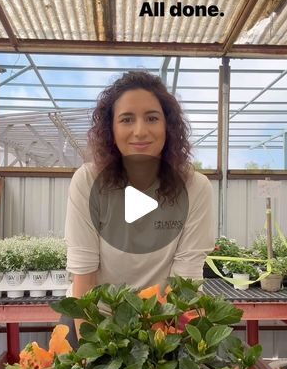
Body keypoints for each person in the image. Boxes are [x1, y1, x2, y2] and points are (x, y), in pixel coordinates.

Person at [64, 70, 215, 340]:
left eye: (152, 118)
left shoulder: (195, 188)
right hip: (96, 317)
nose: (140, 131)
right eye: (126, 119)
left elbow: (186, 281)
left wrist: (164, 349)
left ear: (168, 126)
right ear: (111, 129)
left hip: (166, 318)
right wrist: (91, 359)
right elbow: (84, 278)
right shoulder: (87, 182)